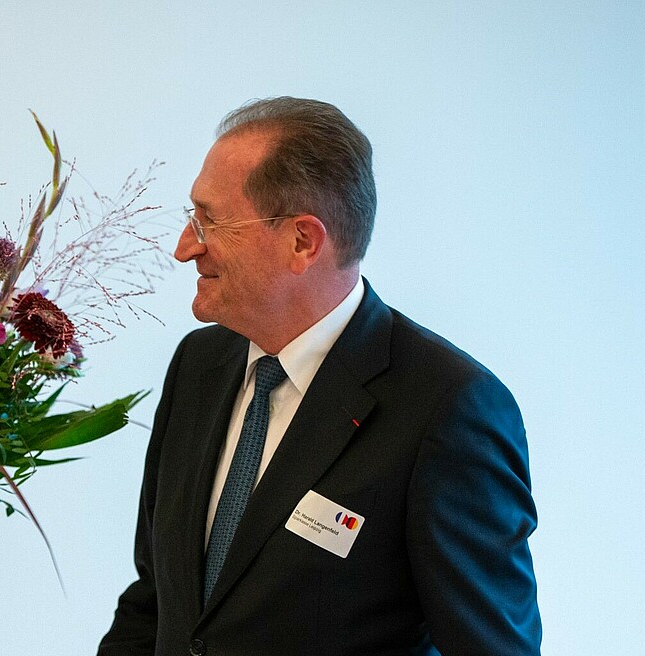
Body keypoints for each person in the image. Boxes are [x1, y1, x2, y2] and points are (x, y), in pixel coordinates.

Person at [98, 98, 541, 655]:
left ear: (303, 241)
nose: (186, 247)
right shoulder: (199, 366)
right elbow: (157, 602)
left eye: (209, 219)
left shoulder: (448, 408)